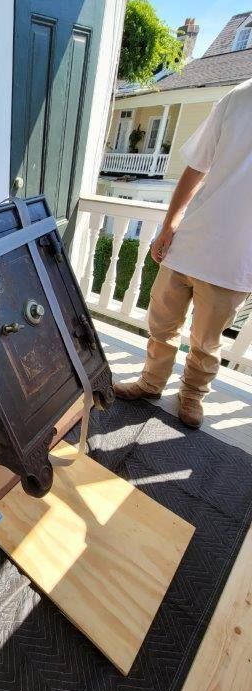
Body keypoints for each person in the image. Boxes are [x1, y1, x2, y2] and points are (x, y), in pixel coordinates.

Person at [114, 78, 252, 429]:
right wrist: (169, 225)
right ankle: (151, 383)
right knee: (161, 324)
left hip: (234, 260)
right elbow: (196, 168)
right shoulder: (236, 99)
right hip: (187, 243)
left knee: (206, 342)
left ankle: (191, 396)